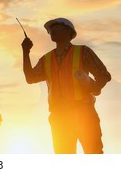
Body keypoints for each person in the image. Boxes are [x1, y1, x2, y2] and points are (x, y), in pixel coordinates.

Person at [21, 18, 111, 154]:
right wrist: (25, 52)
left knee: (93, 153)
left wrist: (94, 87)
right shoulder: (46, 59)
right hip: (59, 116)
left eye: (57, 27)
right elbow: (30, 78)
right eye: (51, 29)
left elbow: (103, 75)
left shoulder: (82, 52)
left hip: (83, 112)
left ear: (69, 31)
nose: (52, 30)